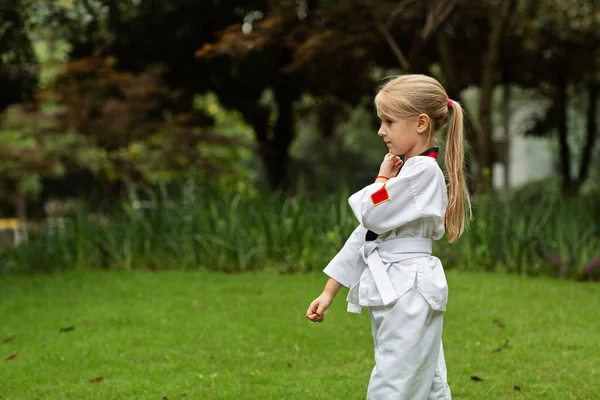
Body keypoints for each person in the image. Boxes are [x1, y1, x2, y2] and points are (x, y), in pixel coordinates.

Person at [306, 74, 471, 400]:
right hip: (401, 288)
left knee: (396, 378)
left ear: (421, 123)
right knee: (426, 378)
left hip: (408, 291)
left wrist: (382, 178)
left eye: (389, 121)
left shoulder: (421, 173)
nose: (381, 130)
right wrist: (329, 292)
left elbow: (371, 211)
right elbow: (365, 236)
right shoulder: (409, 173)